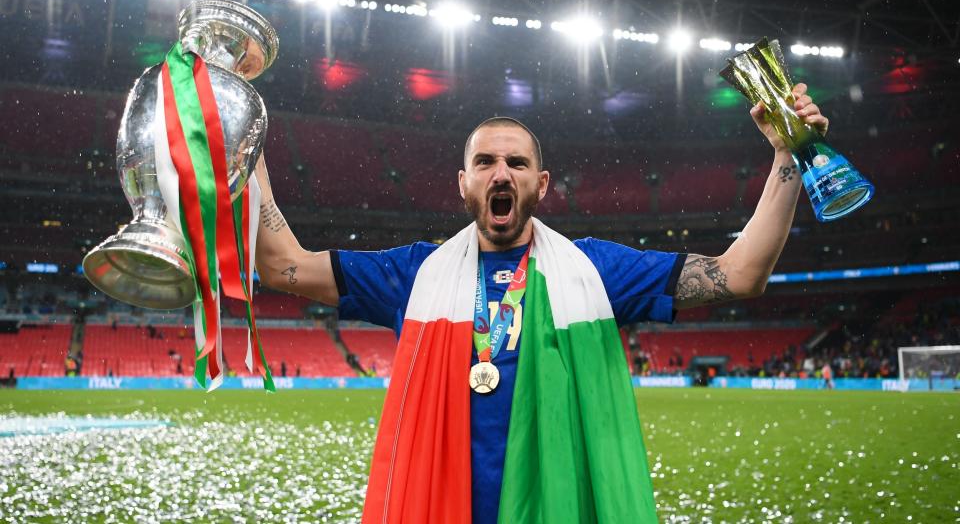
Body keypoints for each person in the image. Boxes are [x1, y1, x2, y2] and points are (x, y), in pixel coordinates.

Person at [253, 84, 828, 523]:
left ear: (542, 183)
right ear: (463, 182)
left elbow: (740, 275)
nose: (501, 172)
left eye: (517, 163)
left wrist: (786, 157)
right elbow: (283, 265)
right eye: (485, 162)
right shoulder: (415, 273)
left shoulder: (595, 270)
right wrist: (244, 150)